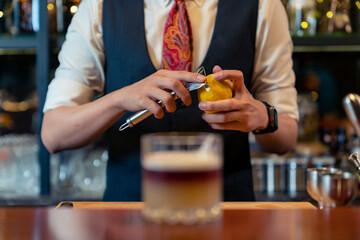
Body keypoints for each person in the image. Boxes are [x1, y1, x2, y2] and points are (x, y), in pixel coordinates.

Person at [41, 0, 299, 201]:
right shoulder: (99, 6)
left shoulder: (263, 6)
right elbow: (54, 133)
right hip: (127, 217)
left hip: (228, 215)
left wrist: (262, 117)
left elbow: (286, 135)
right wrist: (119, 99)